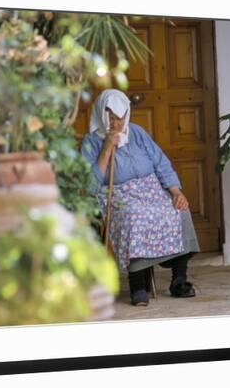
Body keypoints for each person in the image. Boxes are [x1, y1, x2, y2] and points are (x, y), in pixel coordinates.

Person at [80, 89, 201, 306]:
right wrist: (106, 148)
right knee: (134, 215)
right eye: (111, 117)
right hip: (118, 195)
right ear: (101, 114)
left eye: (121, 117)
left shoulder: (136, 132)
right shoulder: (90, 142)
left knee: (178, 209)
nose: (117, 124)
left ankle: (179, 280)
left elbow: (160, 162)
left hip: (152, 191)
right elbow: (89, 186)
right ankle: (137, 284)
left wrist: (175, 191)